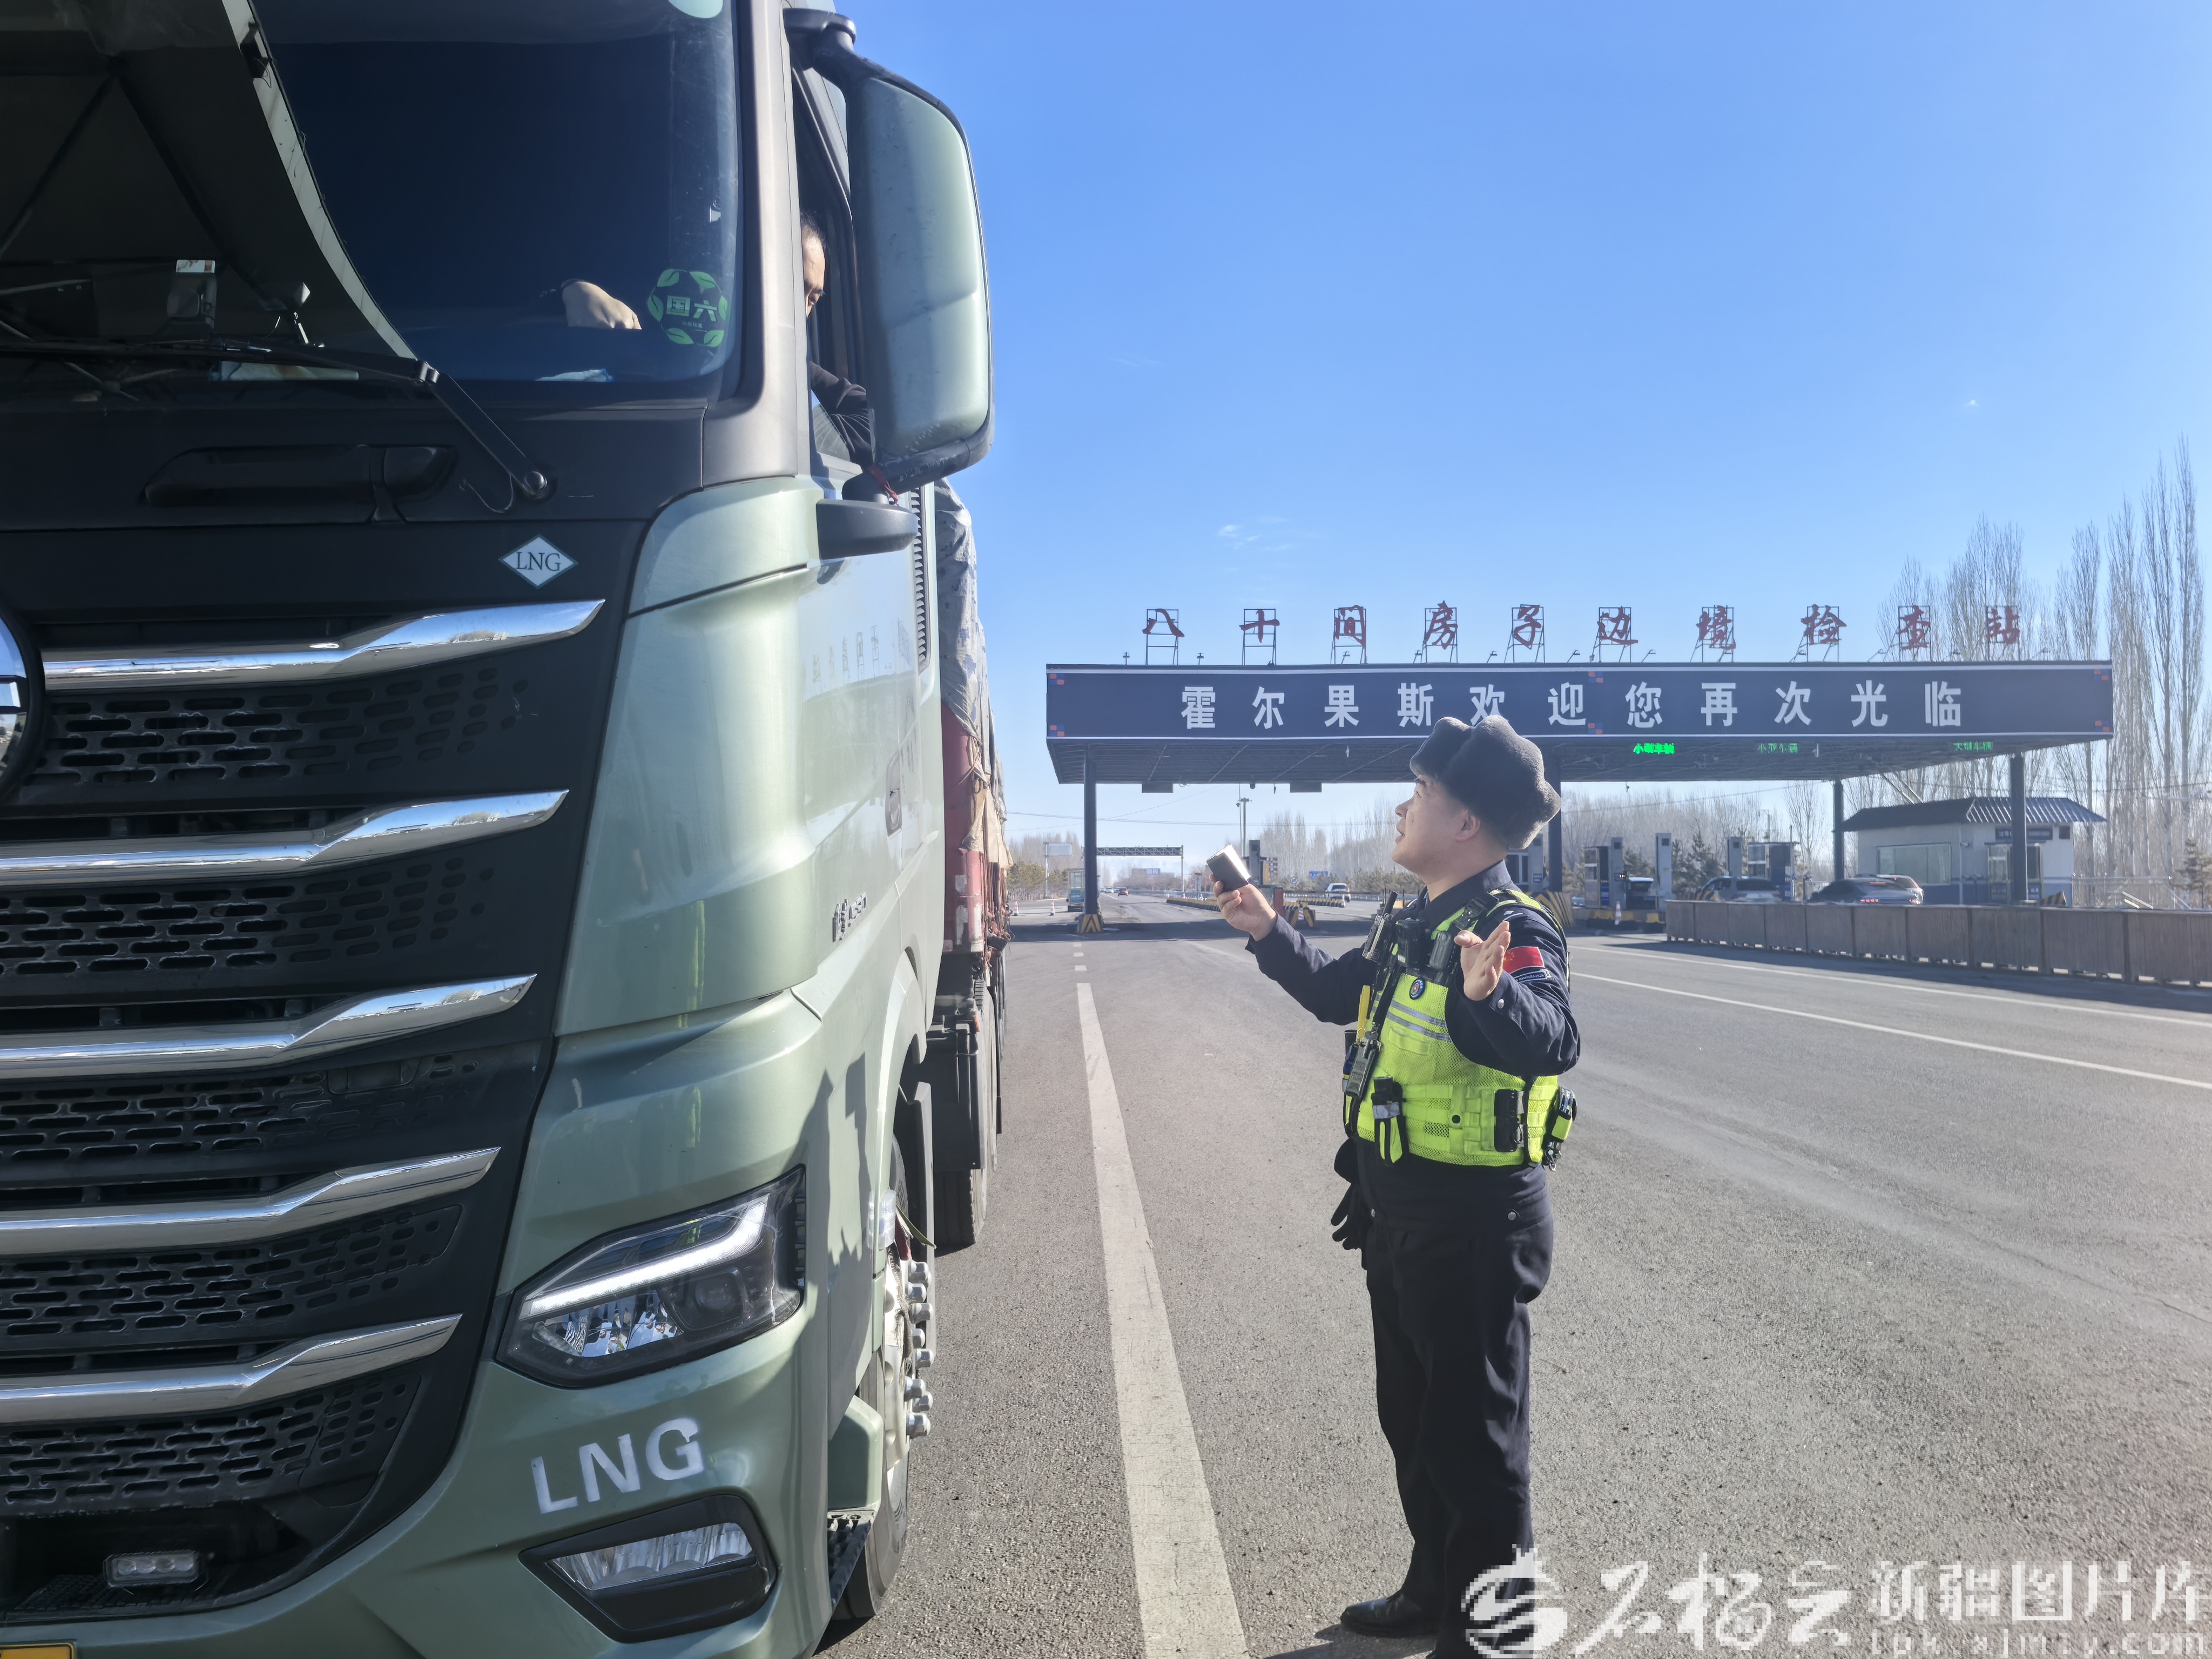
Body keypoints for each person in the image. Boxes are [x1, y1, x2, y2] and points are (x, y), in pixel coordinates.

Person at [1215, 714, 1577, 1659]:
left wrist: (1492, 993)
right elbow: (1340, 994)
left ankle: (1494, 1635)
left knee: (1476, 1445)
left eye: (1420, 795)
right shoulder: (1416, 920)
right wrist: (1267, 931)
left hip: (1474, 1228)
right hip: (1401, 1217)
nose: (1402, 808)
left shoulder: (1510, 926)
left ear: (1466, 824)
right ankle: (1434, 1591)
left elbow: (1553, 1037)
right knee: (1414, 1425)